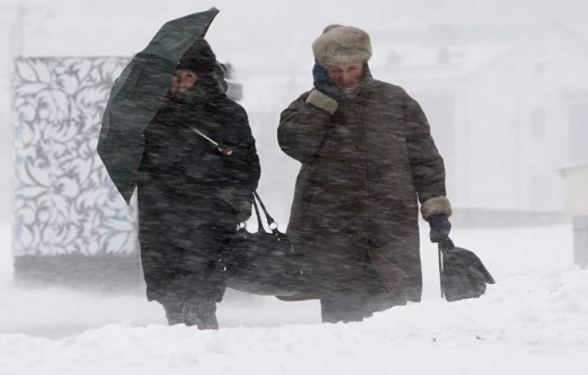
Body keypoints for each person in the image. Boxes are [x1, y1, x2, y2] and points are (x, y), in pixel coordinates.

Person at [277, 25, 453, 324]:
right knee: (342, 319)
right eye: (335, 70)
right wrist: (322, 102)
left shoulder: (396, 101)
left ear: (364, 64)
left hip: (390, 228)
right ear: (321, 70)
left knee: (395, 315)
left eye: (351, 68)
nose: (344, 77)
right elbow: (298, 146)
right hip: (332, 232)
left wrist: (435, 209)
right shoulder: (310, 104)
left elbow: (424, 158)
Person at [136, 38, 260, 329]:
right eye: (174, 76)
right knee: (170, 296)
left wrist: (231, 198)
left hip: (208, 218)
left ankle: (202, 353)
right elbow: (138, 165)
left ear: (203, 76)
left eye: (188, 76)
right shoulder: (150, 115)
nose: (180, 83)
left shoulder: (227, 113)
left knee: (200, 296)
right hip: (160, 217)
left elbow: (247, 164)